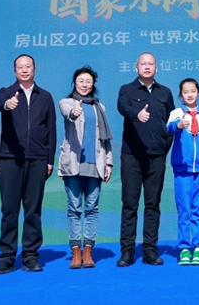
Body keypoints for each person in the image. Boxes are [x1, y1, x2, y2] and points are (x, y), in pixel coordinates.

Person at [0, 54, 57, 274]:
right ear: (15, 71)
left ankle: (30, 255)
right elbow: (0, 104)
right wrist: (8, 104)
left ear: (34, 69)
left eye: (28, 66)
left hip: (37, 159)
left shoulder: (45, 96)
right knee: (9, 209)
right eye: (20, 67)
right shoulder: (6, 92)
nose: (24, 70)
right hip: (10, 158)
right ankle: (6, 257)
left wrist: (49, 160)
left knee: (33, 210)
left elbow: (51, 130)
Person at [116, 52, 176, 267]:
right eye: (143, 64)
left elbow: (172, 122)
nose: (147, 67)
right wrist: (137, 114)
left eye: (151, 64)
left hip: (156, 157)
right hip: (132, 155)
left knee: (153, 204)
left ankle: (150, 249)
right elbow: (122, 107)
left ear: (156, 68)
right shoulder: (127, 90)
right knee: (130, 204)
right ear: (136, 67)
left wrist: (163, 147)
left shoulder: (165, 92)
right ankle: (127, 251)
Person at [58, 66, 113, 269]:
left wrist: (108, 162)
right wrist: (74, 112)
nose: (84, 84)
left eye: (88, 81)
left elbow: (106, 139)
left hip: (95, 164)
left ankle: (88, 251)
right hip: (73, 163)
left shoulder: (100, 107)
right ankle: (75, 251)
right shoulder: (66, 102)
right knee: (74, 209)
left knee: (92, 209)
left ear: (93, 84)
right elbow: (68, 113)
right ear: (75, 83)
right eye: (81, 81)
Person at [166, 78, 199, 266]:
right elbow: (169, 128)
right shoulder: (176, 114)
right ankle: (184, 249)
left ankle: (198, 248)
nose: (189, 94)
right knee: (184, 211)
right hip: (182, 171)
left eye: (193, 91)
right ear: (181, 95)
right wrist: (179, 125)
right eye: (186, 92)